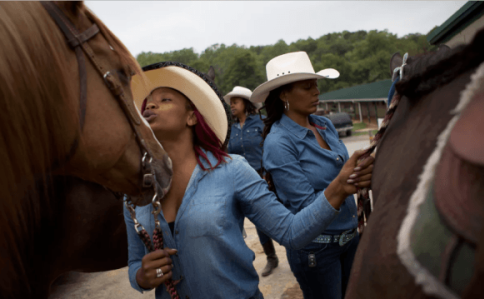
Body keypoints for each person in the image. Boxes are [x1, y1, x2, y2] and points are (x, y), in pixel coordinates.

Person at [124, 62, 373, 299]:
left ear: (192, 117)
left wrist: (339, 189)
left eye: (164, 100)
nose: (150, 106)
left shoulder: (231, 171)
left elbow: (291, 232)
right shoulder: (136, 190)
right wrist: (142, 277)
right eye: (147, 103)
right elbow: (135, 263)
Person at [251, 52, 373, 299]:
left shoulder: (323, 125)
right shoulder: (279, 143)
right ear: (283, 94)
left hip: (349, 238)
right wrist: (343, 184)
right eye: (307, 87)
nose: (316, 92)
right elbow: (305, 206)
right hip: (316, 251)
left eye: (316, 85)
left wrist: (361, 173)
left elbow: (342, 172)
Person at [224, 86, 279, 277]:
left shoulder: (261, 123)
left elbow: (269, 149)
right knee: (252, 219)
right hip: (240, 180)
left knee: (271, 217)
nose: (231, 105)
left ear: (246, 104)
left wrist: (268, 174)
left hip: (263, 176)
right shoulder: (229, 129)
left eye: (235, 102)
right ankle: (271, 258)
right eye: (230, 103)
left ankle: (292, 248)